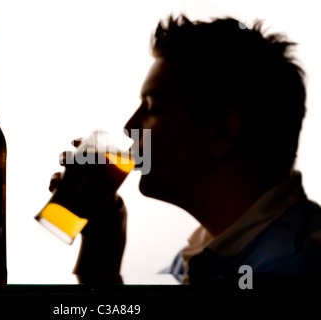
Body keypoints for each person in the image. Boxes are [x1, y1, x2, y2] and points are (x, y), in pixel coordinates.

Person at [50, 14, 321, 287]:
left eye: (153, 107)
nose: (130, 126)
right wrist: (104, 239)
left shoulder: (286, 275)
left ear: (221, 132)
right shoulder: (211, 252)